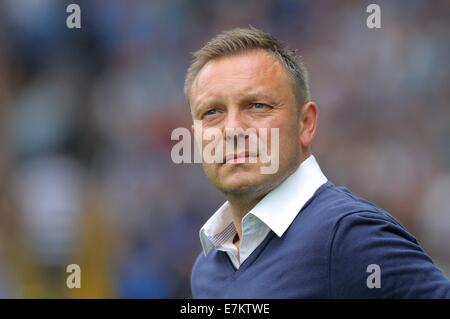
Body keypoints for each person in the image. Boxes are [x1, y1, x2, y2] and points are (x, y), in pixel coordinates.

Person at [184, 27, 450, 298]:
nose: (232, 130)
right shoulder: (207, 268)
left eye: (257, 106)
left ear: (306, 123)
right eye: (212, 112)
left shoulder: (350, 237)